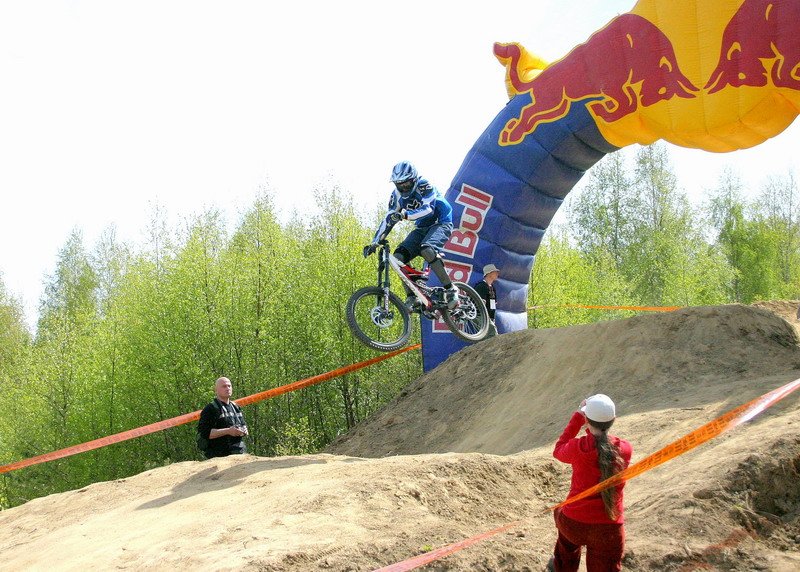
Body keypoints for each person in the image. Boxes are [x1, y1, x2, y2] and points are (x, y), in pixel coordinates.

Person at [549, 394, 633, 572]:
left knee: (562, 524)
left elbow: (558, 450)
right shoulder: (625, 449)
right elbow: (601, 447)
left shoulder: (577, 447)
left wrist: (578, 417)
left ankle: (561, 567)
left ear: (587, 420)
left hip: (573, 523)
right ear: (614, 420)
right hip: (609, 529)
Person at [363, 161, 458, 309]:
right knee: (398, 257)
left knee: (426, 249)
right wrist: (375, 242)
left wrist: (404, 215)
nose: (403, 187)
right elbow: (389, 218)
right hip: (422, 227)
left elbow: (428, 209)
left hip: (441, 222)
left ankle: (451, 289)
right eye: (399, 184)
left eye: (406, 183)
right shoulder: (396, 196)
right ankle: (413, 296)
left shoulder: (424, 185)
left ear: (413, 179)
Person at [197, 376, 249, 459]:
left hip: (239, 453)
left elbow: (243, 425)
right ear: (216, 390)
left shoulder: (236, 407)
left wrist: (244, 430)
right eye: (224, 386)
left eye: (229, 386)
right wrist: (228, 431)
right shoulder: (210, 409)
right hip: (219, 456)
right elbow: (205, 433)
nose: (228, 388)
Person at [474, 263, 500, 337]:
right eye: (495, 272)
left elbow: (494, 305)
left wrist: (492, 318)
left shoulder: (493, 288)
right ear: (489, 274)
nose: (497, 274)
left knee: (488, 337)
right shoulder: (481, 286)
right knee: (492, 334)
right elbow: (480, 304)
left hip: (489, 318)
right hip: (481, 316)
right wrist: (487, 319)